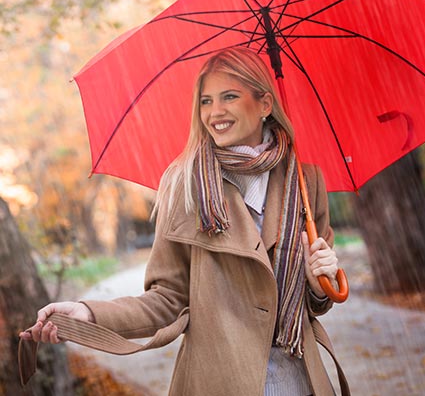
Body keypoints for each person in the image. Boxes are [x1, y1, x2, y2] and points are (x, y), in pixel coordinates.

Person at [20, 47, 345, 396]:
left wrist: (316, 283)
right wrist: (88, 313)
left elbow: (314, 307)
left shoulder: (305, 182)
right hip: (218, 383)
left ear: (265, 104)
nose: (214, 112)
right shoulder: (186, 185)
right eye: (206, 101)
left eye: (229, 97)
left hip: (300, 381)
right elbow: (167, 299)